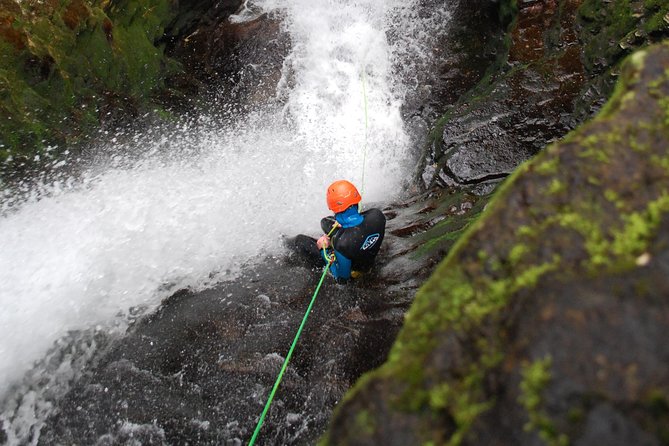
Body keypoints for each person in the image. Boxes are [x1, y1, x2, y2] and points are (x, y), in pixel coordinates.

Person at [286, 180, 386, 283]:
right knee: (325, 222)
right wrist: (345, 223)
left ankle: (281, 239)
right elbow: (359, 218)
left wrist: (324, 249)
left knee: (300, 241)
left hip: (352, 270)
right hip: (365, 257)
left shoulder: (342, 244)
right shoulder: (377, 215)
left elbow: (342, 279)